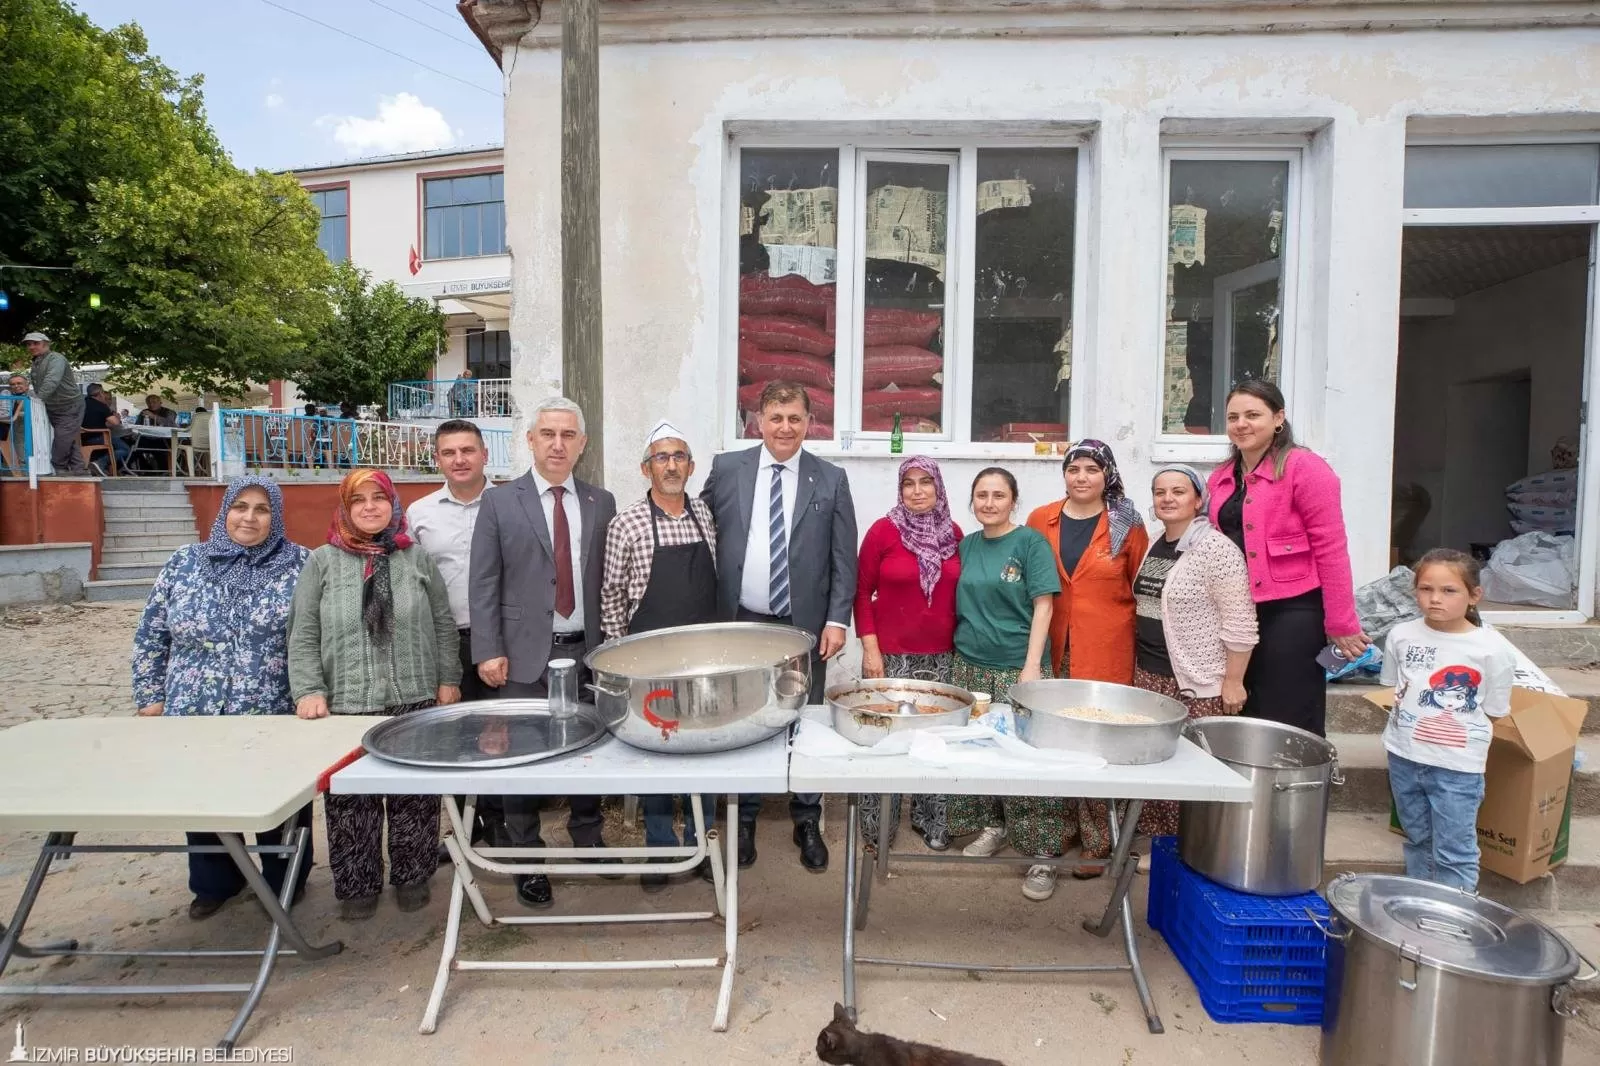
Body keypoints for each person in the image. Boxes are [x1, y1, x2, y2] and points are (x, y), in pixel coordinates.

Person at [131, 476, 313, 920]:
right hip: (194, 709)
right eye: (241, 507)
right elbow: (151, 633)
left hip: (272, 705)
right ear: (225, 510)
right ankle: (215, 883)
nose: (249, 517)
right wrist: (150, 695)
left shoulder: (301, 564)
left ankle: (283, 879)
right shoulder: (185, 562)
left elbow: (314, 636)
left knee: (279, 798)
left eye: (262, 509)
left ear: (276, 516)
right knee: (205, 796)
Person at [287, 469, 460, 919]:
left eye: (379, 498)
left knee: (414, 797)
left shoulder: (416, 559)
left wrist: (448, 679)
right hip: (347, 702)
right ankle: (358, 882)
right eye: (358, 500)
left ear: (393, 505)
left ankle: (412, 874)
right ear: (344, 507)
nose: (369, 507)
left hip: (414, 694)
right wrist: (308, 689)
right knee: (350, 801)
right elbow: (303, 632)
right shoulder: (322, 561)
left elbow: (443, 624)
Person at [701, 379, 858, 873]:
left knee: (804, 722)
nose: (785, 427)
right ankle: (743, 817)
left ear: (809, 423)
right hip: (740, 623)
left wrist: (837, 619)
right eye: (776, 417)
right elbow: (702, 531)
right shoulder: (728, 469)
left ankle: (806, 817)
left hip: (803, 627)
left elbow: (842, 559)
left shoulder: (829, 479)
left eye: (795, 418)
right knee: (746, 719)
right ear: (759, 422)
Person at [469, 396, 618, 909]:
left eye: (568, 435)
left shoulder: (602, 502)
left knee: (588, 750)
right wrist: (487, 649)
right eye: (548, 434)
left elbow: (608, 581)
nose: (558, 444)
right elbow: (484, 581)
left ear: (583, 444)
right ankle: (527, 856)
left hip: (587, 653)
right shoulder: (500, 502)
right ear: (530, 440)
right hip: (522, 656)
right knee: (520, 758)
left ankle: (588, 836)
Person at [1207, 379, 1366, 737]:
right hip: (1238, 611)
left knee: (1288, 711)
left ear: (1278, 418)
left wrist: (1341, 621)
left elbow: (1331, 546)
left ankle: (1296, 789)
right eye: (1233, 417)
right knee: (1246, 708)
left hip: (1292, 610)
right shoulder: (1221, 477)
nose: (1241, 424)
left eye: (1253, 415)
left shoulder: (1304, 468)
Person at [601, 419, 720, 892]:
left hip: (705, 658)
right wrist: (619, 663)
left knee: (706, 753)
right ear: (645, 468)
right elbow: (611, 597)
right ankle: (658, 848)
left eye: (678, 457)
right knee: (656, 755)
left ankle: (702, 842)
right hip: (647, 662)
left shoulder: (706, 516)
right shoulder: (626, 522)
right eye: (661, 458)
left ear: (691, 467)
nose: (670, 466)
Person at [1025, 439, 1148, 877]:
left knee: (1098, 741)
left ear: (1107, 475)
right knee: (1056, 737)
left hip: (1106, 645)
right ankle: (1058, 829)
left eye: (1091, 469)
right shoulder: (1042, 519)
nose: (1081, 477)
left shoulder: (1126, 525)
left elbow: (1140, 585)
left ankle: (1099, 840)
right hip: (1056, 642)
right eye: (1074, 468)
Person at [944, 468, 1063, 901]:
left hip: (1019, 668)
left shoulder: (1030, 542)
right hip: (972, 669)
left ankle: (1043, 854)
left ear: (1014, 501)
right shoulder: (967, 545)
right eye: (981, 495)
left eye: (998, 495)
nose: (989, 503)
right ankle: (995, 827)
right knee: (983, 756)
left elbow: (1044, 605)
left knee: (1031, 761)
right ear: (972, 501)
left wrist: (1032, 666)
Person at [1128, 464, 1258, 836]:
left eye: (1179, 491)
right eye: (1160, 492)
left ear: (1199, 499)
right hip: (1150, 675)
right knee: (1156, 769)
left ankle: (1191, 852)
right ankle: (1159, 846)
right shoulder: (1155, 541)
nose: (1168, 499)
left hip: (1197, 680)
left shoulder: (1216, 549)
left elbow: (1241, 621)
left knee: (1190, 775)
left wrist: (1234, 681)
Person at [1381, 549, 1515, 891]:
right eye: (1426, 589)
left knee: (1454, 851)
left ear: (1474, 595)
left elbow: (1495, 710)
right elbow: (1394, 689)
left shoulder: (1492, 649)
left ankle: (1454, 924)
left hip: (1457, 768)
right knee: (1417, 839)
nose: (1435, 599)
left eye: (1449, 590)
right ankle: (1421, 907)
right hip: (1404, 756)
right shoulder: (1401, 635)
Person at [853, 456, 961, 852]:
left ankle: (930, 820)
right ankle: (876, 828)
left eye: (925, 482)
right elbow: (861, 593)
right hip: (890, 657)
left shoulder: (954, 533)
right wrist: (870, 649)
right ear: (899, 489)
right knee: (883, 743)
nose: (917, 491)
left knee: (934, 743)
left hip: (940, 658)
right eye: (908, 483)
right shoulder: (883, 531)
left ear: (938, 487)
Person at [408, 420, 498, 853]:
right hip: (448, 643)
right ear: (438, 459)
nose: (459, 460)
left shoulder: (511, 504)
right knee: (457, 740)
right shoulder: (420, 514)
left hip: (502, 641)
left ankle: (505, 829)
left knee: (503, 736)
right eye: (449, 452)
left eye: (467, 450)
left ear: (484, 454)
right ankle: (467, 827)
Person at [24, 331, 86, 475]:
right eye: (29, 344)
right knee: (66, 439)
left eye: (36, 343)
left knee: (62, 439)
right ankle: (79, 470)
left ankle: (59, 469)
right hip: (55, 406)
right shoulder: (37, 361)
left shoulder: (56, 359)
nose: (31, 346)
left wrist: (38, 399)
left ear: (46, 344)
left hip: (69, 406)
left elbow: (51, 381)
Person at [82, 383, 132, 469]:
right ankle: (99, 463)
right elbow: (115, 422)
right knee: (126, 449)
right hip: (98, 437)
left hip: (82, 437)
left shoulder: (82, 403)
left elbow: (100, 423)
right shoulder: (101, 405)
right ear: (100, 393)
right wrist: (117, 417)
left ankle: (105, 467)